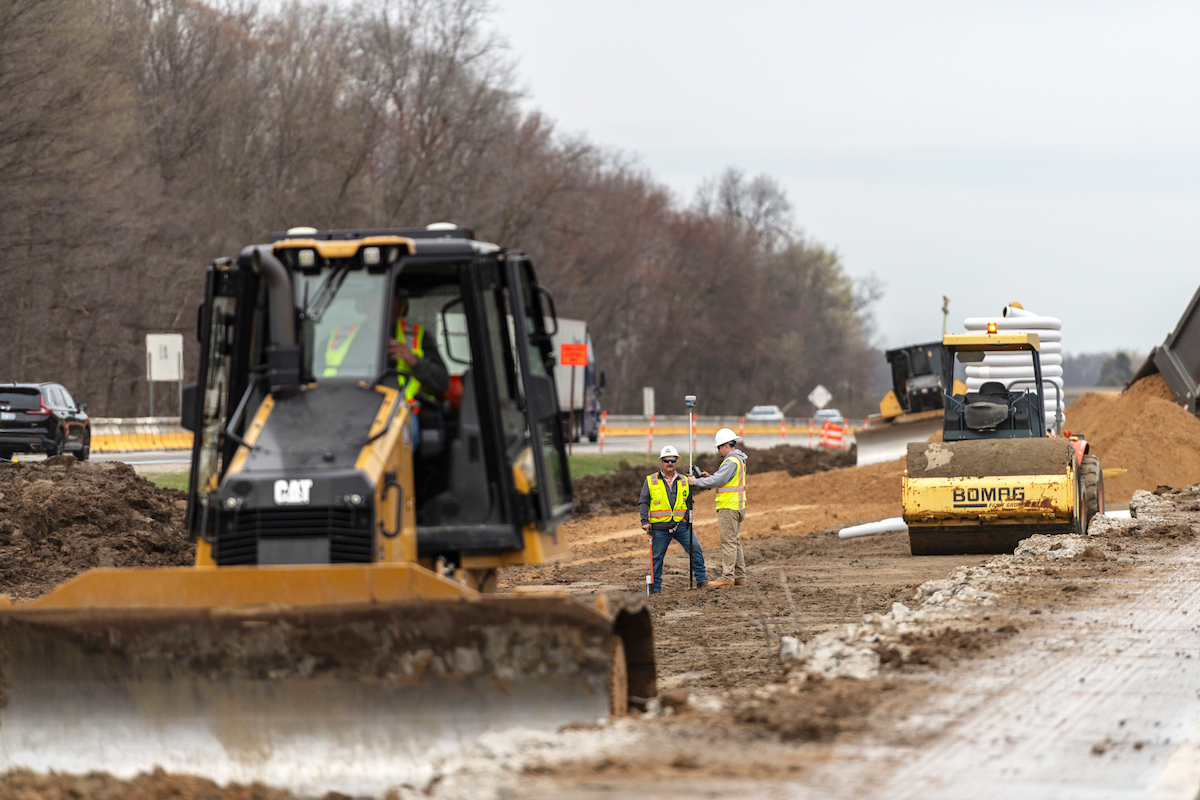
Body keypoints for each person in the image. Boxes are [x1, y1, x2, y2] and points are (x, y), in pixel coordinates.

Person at [640, 445, 707, 593]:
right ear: (661, 462)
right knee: (657, 558)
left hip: (681, 526)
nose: (669, 463)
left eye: (672, 460)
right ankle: (655, 588)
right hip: (659, 528)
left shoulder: (684, 480)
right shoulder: (651, 480)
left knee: (695, 550)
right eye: (666, 460)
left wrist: (687, 518)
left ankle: (702, 581)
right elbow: (643, 502)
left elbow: (690, 501)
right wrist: (645, 521)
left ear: (676, 461)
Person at [688, 428, 747, 587]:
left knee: (728, 543)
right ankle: (740, 578)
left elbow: (719, 481)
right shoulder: (739, 459)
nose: (718, 450)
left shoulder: (730, 461)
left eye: (719, 447)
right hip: (738, 505)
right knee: (734, 542)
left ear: (726, 445)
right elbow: (723, 479)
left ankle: (727, 577)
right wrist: (710, 477)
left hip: (729, 507)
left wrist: (696, 482)